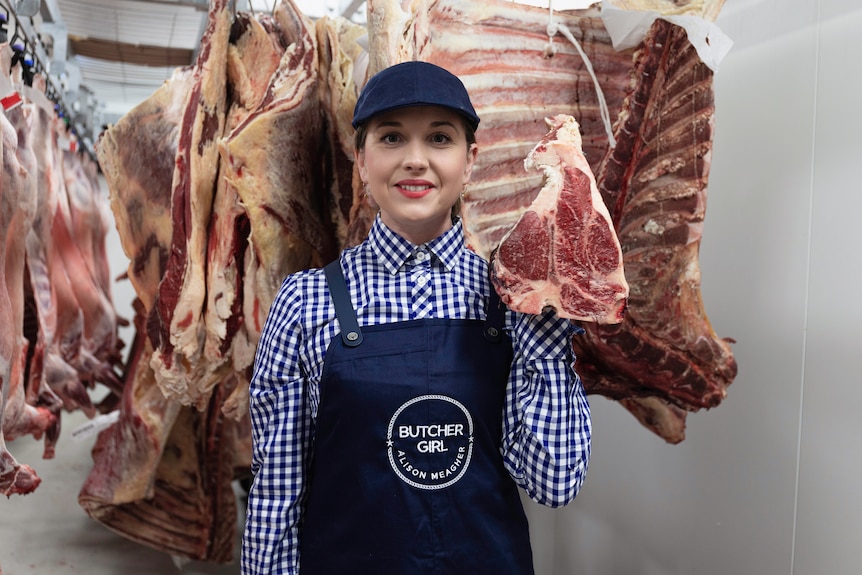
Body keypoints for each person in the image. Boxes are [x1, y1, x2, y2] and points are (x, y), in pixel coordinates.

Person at [241, 60, 591, 575]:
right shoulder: (305, 302)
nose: (415, 160)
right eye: (391, 138)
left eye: (439, 138)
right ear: (361, 160)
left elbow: (554, 481)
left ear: (470, 160)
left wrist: (543, 342)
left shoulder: (514, 299)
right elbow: (276, 494)